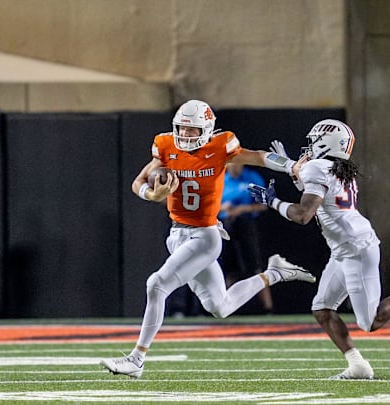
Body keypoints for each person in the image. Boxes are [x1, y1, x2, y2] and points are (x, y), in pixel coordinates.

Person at [100, 99, 316, 378]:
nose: (186, 135)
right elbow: (138, 182)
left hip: (205, 236)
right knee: (220, 307)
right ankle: (274, 274)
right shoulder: (166, 146)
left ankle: (136, 359)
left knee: (156, 284)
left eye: (192, 130)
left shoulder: (220, 146)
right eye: (182, 129)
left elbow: (259, 156)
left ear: (207, 129)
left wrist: (290, 166)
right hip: (177, 234)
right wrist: (151, 195)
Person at [249, 118, 390, 379]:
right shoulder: (335, 168)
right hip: (344, 248)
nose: (308, 148)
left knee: (370, 322)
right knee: (322, 308)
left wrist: (272, 201)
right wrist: (293, 170)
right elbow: (317, 194)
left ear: (326, 143)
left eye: (313, 142)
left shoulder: (319, 168)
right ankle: (358, 365)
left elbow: (303, 214)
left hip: (356, 248)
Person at [218, 162, 272, 313]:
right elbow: (209, 205)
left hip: (246, 223)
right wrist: (223, 208)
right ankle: (226, 307)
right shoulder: (221, 179)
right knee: (228, 268)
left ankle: (267, 308)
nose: (235, 166)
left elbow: (264, 204)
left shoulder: (252, 177)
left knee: (255, 266)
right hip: (225, 225)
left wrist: (243, 208)